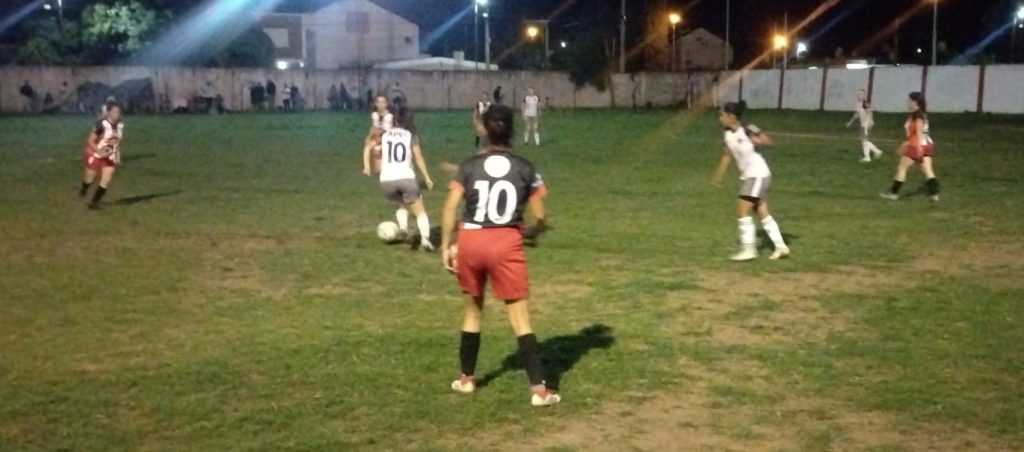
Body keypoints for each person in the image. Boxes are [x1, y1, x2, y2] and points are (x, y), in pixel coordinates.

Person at [440, 104, 561, 408]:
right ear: (512, 130)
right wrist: (533, 233)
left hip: (471, 240)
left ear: (483, 128)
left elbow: (450, 207)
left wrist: (446, 245)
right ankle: (539, 391)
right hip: (506, 242)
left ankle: (466, 379)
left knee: (472, 311)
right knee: (520, 318)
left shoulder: (468, 166)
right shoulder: (526, 167)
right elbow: (540, 216)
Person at [711, 101, 791, 261]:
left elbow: (768, 141)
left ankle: (749, 250)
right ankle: (781, 247)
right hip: (750, 176)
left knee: (741, 211)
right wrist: (718, 175)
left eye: (722, 115)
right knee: (761, 211)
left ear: (731, 116)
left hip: (758, 175)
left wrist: (758, 141)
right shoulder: (727, 133)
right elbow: (727, 155)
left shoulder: (748, 128)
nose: (720, 118)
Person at [377, 108, 436, 250]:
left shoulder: (385, 135)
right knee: (419, 209)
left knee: (400, 204)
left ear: (395, 120)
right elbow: (418, 157)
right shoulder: (410, 135)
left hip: (386, 179)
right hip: (406, 177)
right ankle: (425, 239)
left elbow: (378, 153)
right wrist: (427, 177)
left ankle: (403, 227)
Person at [881, 92, 940, 202]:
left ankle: (893, 194)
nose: (907, 102)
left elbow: (918, 130)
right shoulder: (921, 113)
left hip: (916, 145)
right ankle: (934, 195)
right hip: (927, 144)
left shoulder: (917, 115)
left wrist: (917, 147)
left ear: (915, 102)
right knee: (928, 170)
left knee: (902, 168)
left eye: (909, 100)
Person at [80, 101, 125, 210]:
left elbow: (116, 142)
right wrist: (99, 152)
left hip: (110, 157)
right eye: (114, 111)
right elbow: (90, 140)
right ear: (109, 112)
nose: (116, 114)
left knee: (106, 180)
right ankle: (84, 188)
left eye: (118, 112)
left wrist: (117, 155)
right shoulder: (101, 125)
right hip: (96, 155)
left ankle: (94, 202)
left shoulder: (120, 125)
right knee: (89, 178)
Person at [846, 89, 883, 162]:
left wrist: (869, 121)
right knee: (863, 139)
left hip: (866, 124)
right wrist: (850, 123)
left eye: (861, 94)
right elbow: (856, 115)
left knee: (864, 140)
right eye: (858, 94)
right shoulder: (858, 105)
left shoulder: (865, 103)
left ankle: (872, 154)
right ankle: (873, 153)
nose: (859, 96)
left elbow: (869, 112)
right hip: (863, 124)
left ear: (864, 95)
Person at [362, 95, 394, 176]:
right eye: (379, 102)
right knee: (367, 147)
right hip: (378, 138)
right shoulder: (374, 115)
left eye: (383, 102)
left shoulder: (390, 116)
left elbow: (394, 128)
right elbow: (373, 127)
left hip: (388, 139)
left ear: (386, 104)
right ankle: (367, 169)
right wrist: (368, 137)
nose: (381, 104)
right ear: (376, 104)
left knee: (383, 169)